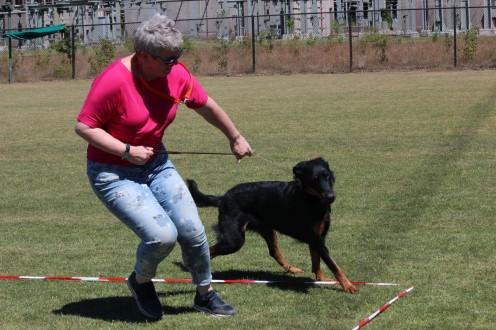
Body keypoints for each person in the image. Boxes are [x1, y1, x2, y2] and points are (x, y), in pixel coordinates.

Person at [75, 14, 252, 319]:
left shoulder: (176, 74)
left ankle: (204, 294)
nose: (174, 65)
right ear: (143, 56)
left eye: (177, 57)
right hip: (113, 173)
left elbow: (205, 104)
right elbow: (84, 127)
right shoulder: (114, 81)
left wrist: (234, 137)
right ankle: (141, 281)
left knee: (192, 230)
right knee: (162, 236)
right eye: (167, 60)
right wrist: (126, 150)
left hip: (156, 164)